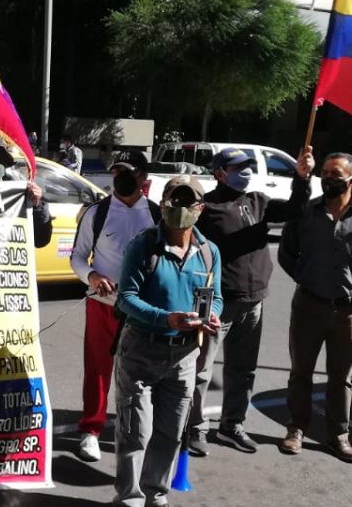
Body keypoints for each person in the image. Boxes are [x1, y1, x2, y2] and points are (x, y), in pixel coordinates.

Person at [183, 146, 314, 456]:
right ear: (219, 173)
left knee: (243, 369)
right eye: (238, 167)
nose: (246, 172)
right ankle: (195, 427)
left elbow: (295, 209)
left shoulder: (258, 201)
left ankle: (231, 425)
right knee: (201, 370)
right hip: (216, 302)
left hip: (253, 301)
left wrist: (302, 178)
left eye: (248, 166)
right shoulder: (206, 208)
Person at [113, 175, 222, 507]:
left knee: (170, 432)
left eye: (189, 202)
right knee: (135, 431)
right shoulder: (143, 246)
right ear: (162, 205)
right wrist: (166, 319)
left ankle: (155, 495)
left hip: (184, 356)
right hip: (141, 351)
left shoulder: (209, 252)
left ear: (200, 209)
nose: (180, 208)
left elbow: (216, 297)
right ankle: (130, 499)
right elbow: (126, 298)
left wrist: (213, 315)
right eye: (175, 200)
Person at [276, 152, 352, 463]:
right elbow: (287, 254)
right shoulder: (306, 213)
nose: (327, 179)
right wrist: (309, 280)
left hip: (350, 311)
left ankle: (338, 436)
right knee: (301, 372)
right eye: (324, 173)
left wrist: (351, 286)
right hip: (308, 306)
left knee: (341, 378)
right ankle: (296, 428)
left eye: (335, 174)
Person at [69, 150, 161, 462]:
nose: (119, 177)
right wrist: (92, 276)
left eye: (127, 172)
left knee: (141, 373)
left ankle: (134, 429)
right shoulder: (97, 213)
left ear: (142, 177)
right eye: (116, 171)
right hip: (102, 304)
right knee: (98, 368)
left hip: (143, 309)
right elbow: (77, 257)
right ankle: (91, 430)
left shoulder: (157, 215)